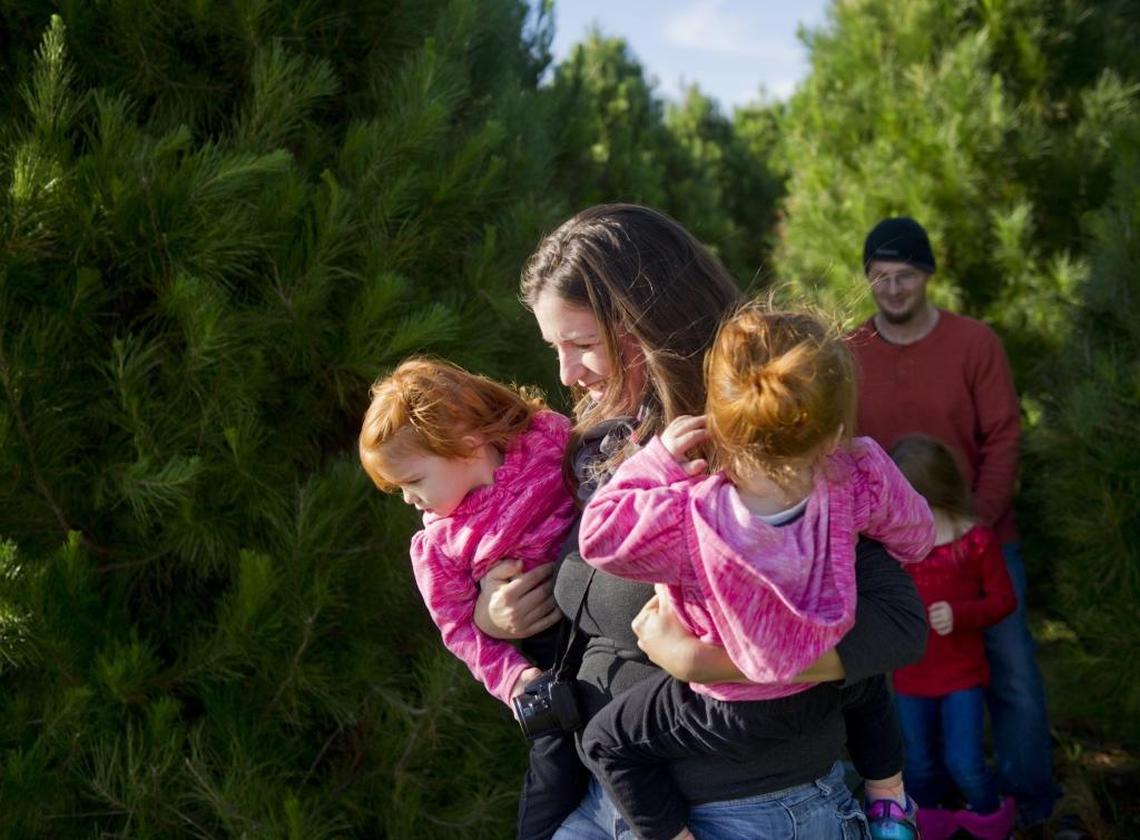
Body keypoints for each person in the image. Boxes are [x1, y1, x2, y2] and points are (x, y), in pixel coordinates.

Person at [473, 204, 929, 840]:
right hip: (611, 797)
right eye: (555, 348)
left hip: (743, 805)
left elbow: (898, 626)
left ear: (650, 324)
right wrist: (493, 615)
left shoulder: (757, 446)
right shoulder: (610, 444)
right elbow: (589, 594)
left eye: (582, 345)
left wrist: (714, 662)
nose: (565, 374)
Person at [573, 304, 936, 840]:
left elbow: (598, 536)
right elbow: (918, 536)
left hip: (725, 710)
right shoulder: (859, 477)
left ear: (717, 422)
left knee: (606, 741)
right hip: (818, 692)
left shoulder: (687, 518)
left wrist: (656, 461)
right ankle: (889, 803)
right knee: (867, 681)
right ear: (833, 430)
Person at [848, 215, 1061, 830]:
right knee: (889, 682)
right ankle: (919, 808)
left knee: (1012, 673)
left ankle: (1031, 805)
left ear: (928, 275)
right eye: (880, 276)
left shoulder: (975, 344)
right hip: (889, 555)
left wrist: (975, 528)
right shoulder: (851, 352)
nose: (892, 289)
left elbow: (1004, 437)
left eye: (905, 275)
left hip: (982, 542)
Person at [357, 357, 586, 840]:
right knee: (554, 778)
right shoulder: (439, 545)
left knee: (623, 752)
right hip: (549, 661)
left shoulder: (547, 441)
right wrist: (515, 678)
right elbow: (459, 628)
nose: (407, 499)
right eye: (397, 488)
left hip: (603, 619)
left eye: (413, 481)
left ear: (465, 444)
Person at [888, 436, 1018, 840]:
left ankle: (992, 821)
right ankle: (931, 824)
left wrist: (961, 614)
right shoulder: (896, 547)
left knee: (965, 763)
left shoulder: (974, 540)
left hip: (962, 677)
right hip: (912, 678)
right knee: (919, 765)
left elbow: (1003, 600)